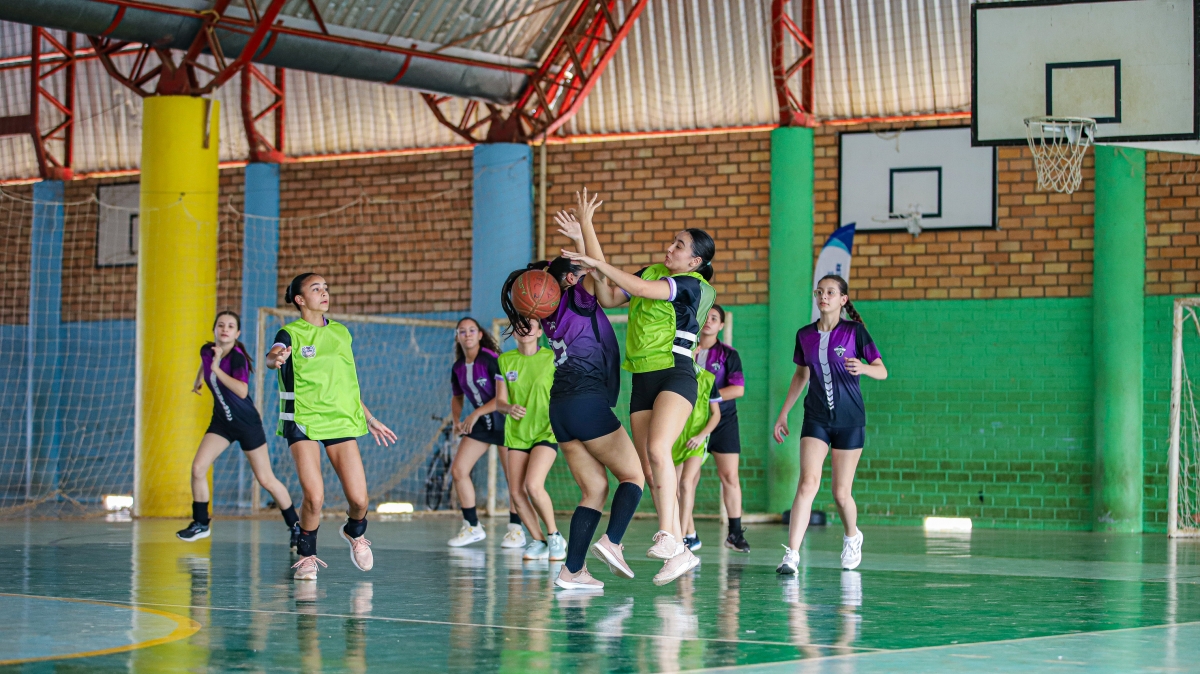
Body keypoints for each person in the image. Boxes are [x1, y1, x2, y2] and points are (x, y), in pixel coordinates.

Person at [560, 200, 716, 586]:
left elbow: (639, 289)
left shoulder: (694, 286)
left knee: (660, 449)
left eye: (679, 245)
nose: (670, 248)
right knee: (648, 467)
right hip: (642, 379)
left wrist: (594, 262)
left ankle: (670, 535)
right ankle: (680, 553)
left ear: (695, 261)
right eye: (672, 242)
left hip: (675, 373)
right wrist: (586, 231)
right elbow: (609, 295)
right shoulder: (651, 271)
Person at [501, 189, 644, 590]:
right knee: (633, 476)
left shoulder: (548, 310)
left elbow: (582, 268)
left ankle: (572, 570)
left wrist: (580, 241)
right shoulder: (579, 299)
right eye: (579, 272)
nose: (586, 274)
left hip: (561, 408)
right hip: (585, 402)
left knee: (594, 488)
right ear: (570, 279)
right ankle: (613, 542)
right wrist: (586, 227)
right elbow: (599, 271)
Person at [266, 273, 398, 581]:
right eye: (316, 289)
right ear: (300, 299)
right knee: (314, 497)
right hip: (303, 420)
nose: (324, 292)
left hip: (340, 419)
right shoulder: (290, 333)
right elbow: (274, 355)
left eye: (326, 287)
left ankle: (354, 531)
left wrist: (369, 417)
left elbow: (345, 385)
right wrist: (275, 358)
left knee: (360, 500)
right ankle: (307, 556)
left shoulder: (341, 333)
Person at [773, 274, 887, 575]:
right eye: (820, 291)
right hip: (816, 418)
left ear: (842, 299)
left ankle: (852, 536)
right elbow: (801, 375)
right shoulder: (804, 335)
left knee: (840, 493)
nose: (824, 296)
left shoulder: (855, 332)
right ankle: (791, 555)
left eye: (831, 292)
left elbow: (882, 371)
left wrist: (864, 367)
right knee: (807, 483)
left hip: (850, 420)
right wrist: (784, 413)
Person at [177, 311, 299, 546]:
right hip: (222, 422)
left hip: (246, 423)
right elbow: (205, 364)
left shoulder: (237, 359)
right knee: (198, 468)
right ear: (214, 329)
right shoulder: (207, 351)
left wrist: (216, 369)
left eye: (231, 326)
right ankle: (201, 523)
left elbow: (242, 391)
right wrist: (199, 379)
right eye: (221, 325)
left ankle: (296, 526)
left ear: (237, 333)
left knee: (266, 479)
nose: (225, 329)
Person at [446, 318, 523, 548]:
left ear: (480, 335)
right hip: (482, 424)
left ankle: (516, 530)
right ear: (457, 337)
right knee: (459, 470)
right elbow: (457, 397)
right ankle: (472, 526)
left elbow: (502, 397)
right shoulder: (458, 368)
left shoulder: (491, 360)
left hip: (505, 422)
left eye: (472, 330)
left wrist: (475, 413)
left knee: (513, 478)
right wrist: (457, 420)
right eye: (462, 331)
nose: (467, 334)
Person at [494, 318, 566, 561]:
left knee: (533, 485)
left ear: (539, 332)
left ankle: (554, 535)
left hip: (546, 431)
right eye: (519, 326)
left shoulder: (552, 358)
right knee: (516, 492)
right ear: (514, 333)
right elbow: (499, 402)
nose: (524, 329)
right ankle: (539, 540)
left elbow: (564, 391)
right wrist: (509, 408)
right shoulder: (505, 361)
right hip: (517, 434)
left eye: (530, 325)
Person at [694, 305, 749, 552]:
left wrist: (706, 398)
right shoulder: (686, 351)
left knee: (729, 477)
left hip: (724, 422)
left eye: (714, 318)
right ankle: (686, 532)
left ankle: (735, 534)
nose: (708, 321)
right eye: (705, 316)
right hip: (692, 424)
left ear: (721, 326)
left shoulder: (729, 354)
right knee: (687, 479)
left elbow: (738, 389)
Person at [673, 358, 721, 552]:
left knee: (686, 484)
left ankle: (680, 539)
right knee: (674, 491)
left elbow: (716, 414)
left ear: (697, 349)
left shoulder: (708, 378)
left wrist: (702, 436)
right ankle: (691, 534)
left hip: (696, 441)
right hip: (676, 439)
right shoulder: (670, 374)